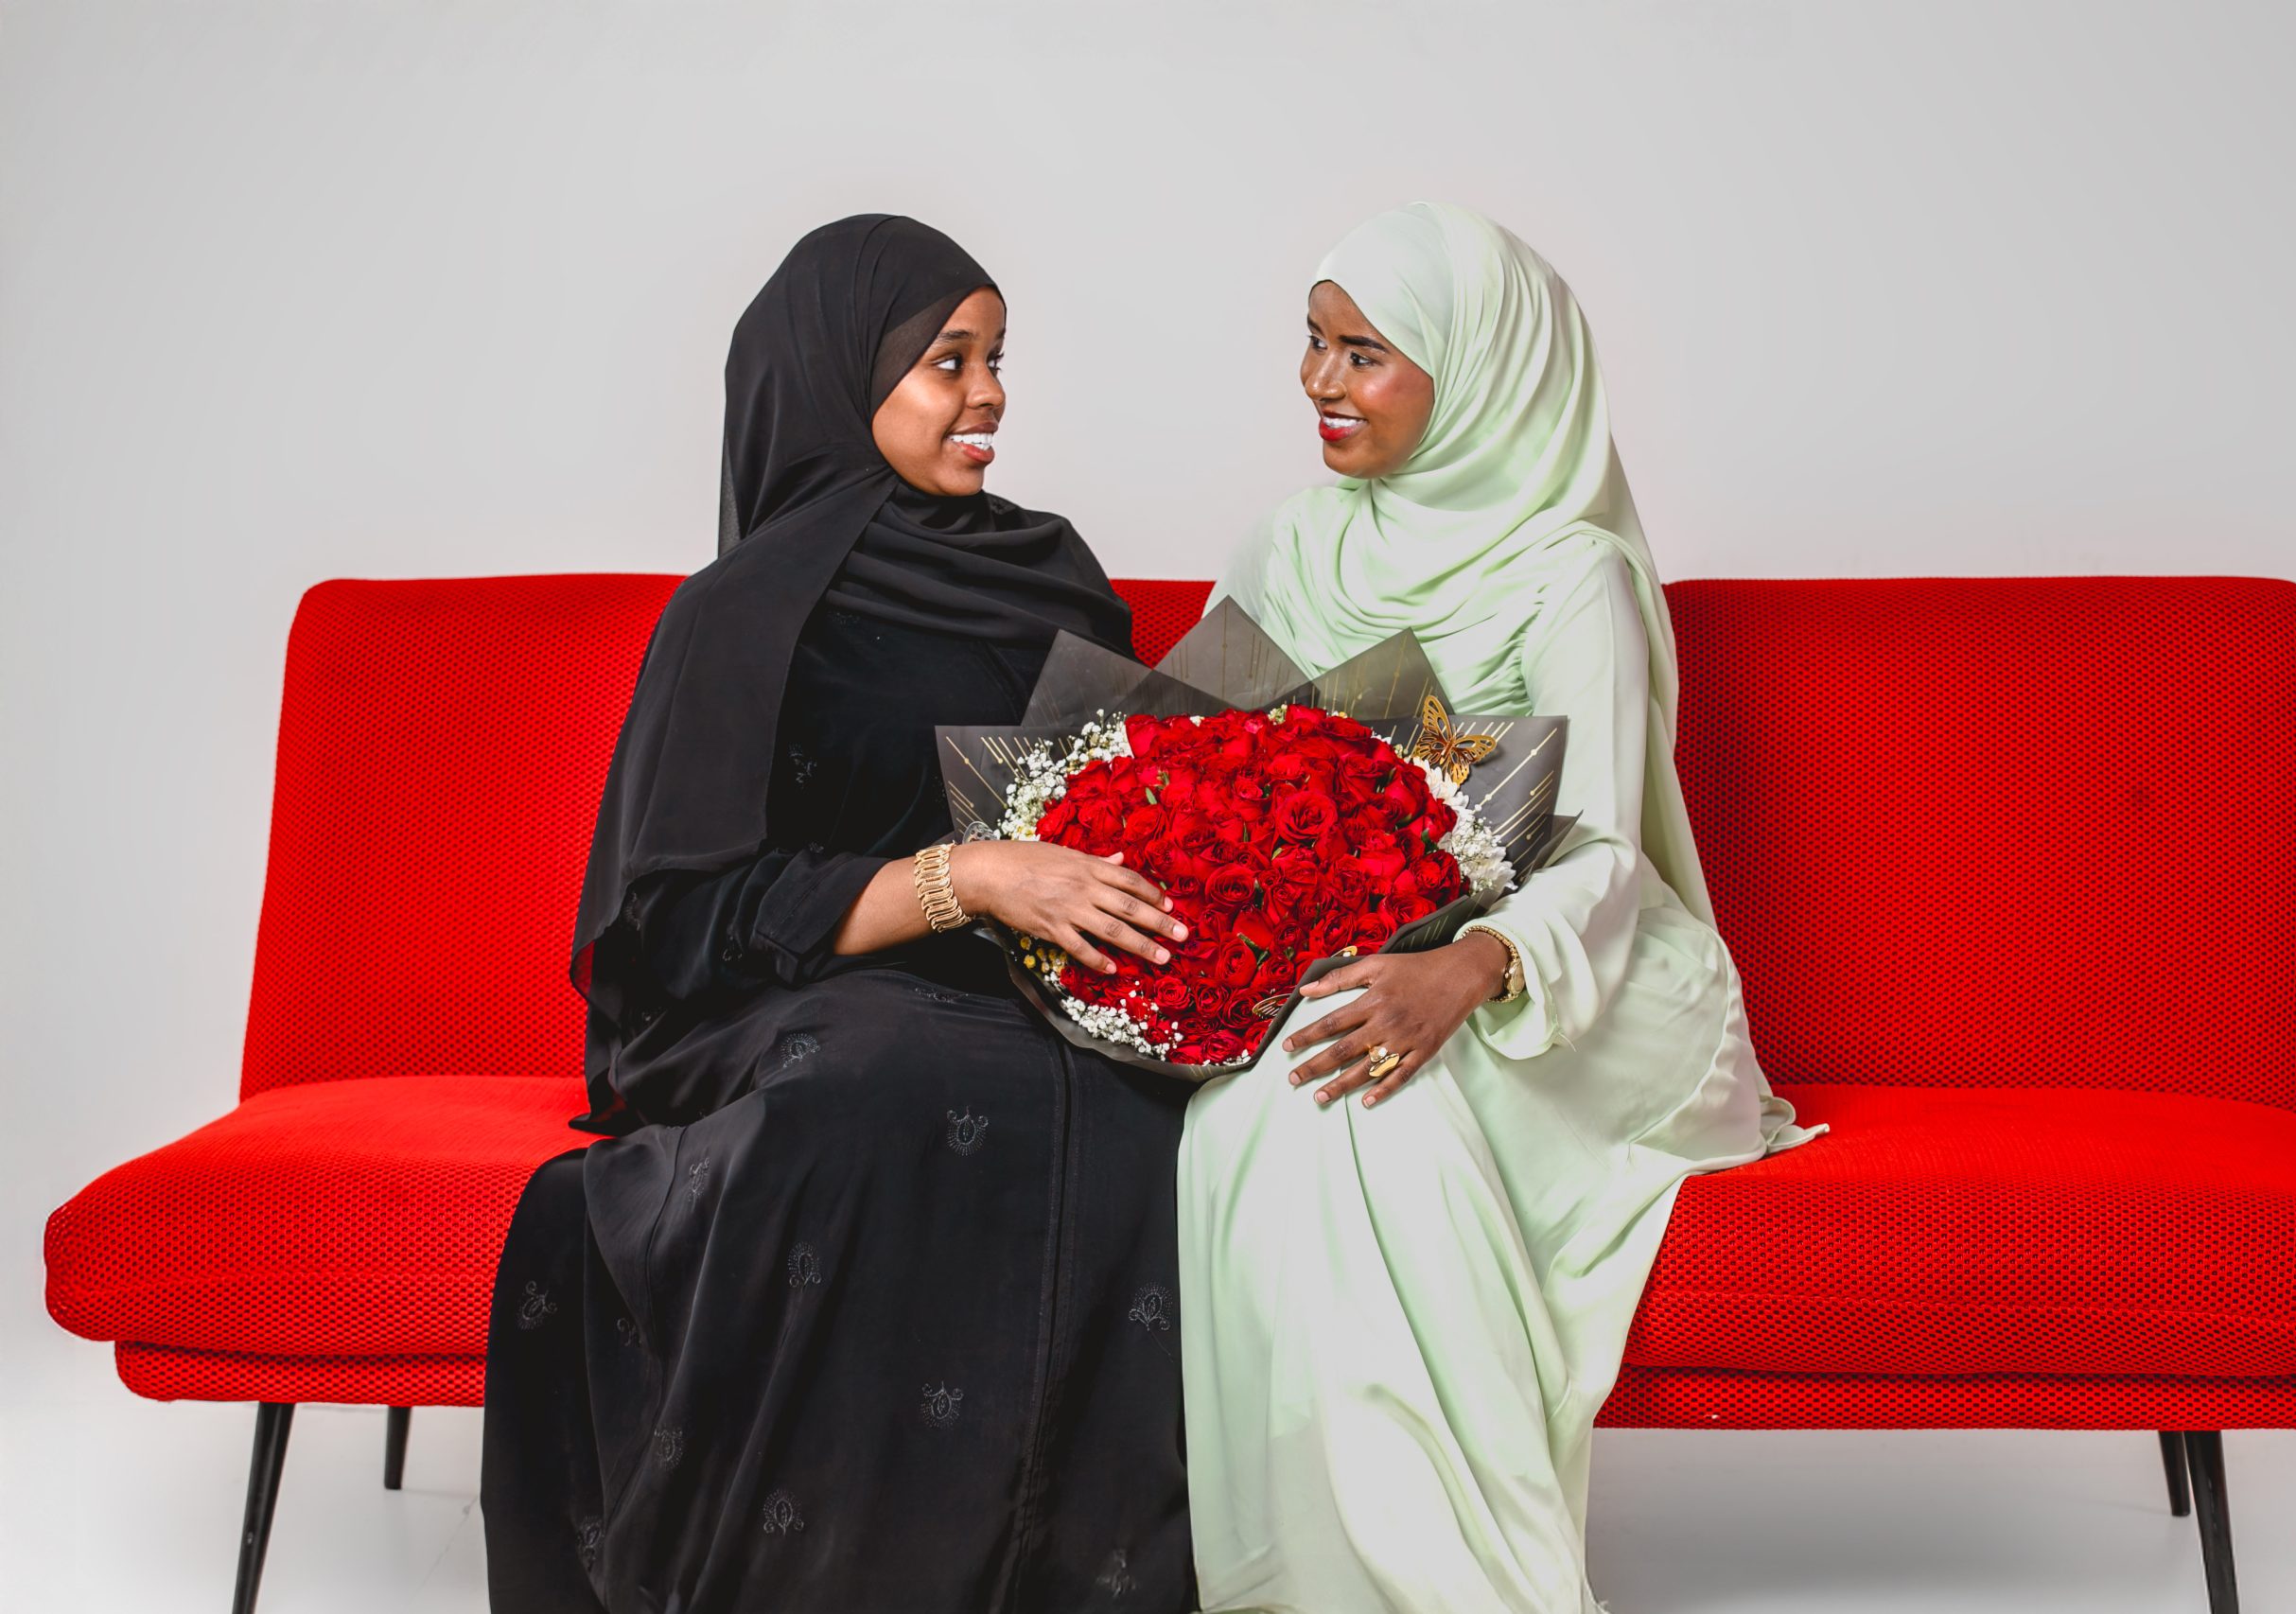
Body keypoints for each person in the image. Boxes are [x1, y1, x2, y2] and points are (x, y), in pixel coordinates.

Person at [481, 214, 1197, 1613]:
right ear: (836, 376)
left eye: (997, 359)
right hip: (797, 997)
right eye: (948, 362)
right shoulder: (740, 613)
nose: (990, 395)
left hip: (1033, 991)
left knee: (1133, 1101)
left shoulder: (1051, 572)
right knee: (883, 1077)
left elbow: (1111, 817)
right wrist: (965, 877)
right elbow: (685, 918)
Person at [1178, 202, 1823, 1613]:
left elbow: (1602, 852)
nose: (1318, 381)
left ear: (1478, 374)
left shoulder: (1567, 572)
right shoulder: (1290, 546)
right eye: (1313, 340)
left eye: (1364, 353)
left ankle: (1447, 1582)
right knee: (1272, 1112)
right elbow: (1192, 766)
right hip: (1361, 959)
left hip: (1571, 973)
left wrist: (1467, 967)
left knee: (1357, 1106)